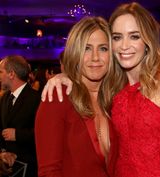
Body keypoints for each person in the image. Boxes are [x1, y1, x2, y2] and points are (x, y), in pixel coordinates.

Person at [42, 3, 160, 177]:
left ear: (148, 41)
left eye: (134, 36)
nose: (124, 45)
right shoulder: (114, 91)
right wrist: (64, 76)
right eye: (117, 37)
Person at [35, 16, 120, 177]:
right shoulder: (58, 96)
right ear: (75, 53)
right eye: (86, 48)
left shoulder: (117, 99)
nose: (95, 57)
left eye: (103, 48)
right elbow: (49, 171)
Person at [0, 55, 41, 177]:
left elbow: (44, 134)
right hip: (6, 166)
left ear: (11, 74)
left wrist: (18, 134)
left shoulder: (37, 99)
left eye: (1, 72)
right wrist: (2, 153)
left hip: (29, 168)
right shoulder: (4, 98)